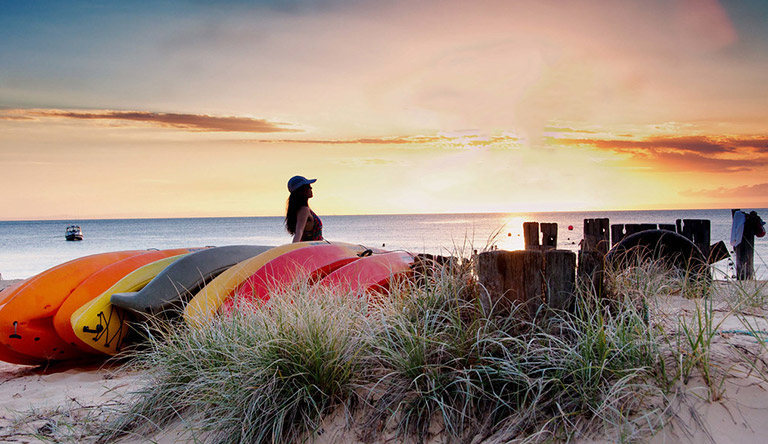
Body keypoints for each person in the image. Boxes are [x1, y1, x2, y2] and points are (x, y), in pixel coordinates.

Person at [285, 175, 323, 242]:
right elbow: (299, 231)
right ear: (301, 191)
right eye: (308, 186)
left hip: (312, 247)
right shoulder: (304, 210)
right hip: (311, 249)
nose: (311, 188)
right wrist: (294, 249)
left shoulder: (300, 209)